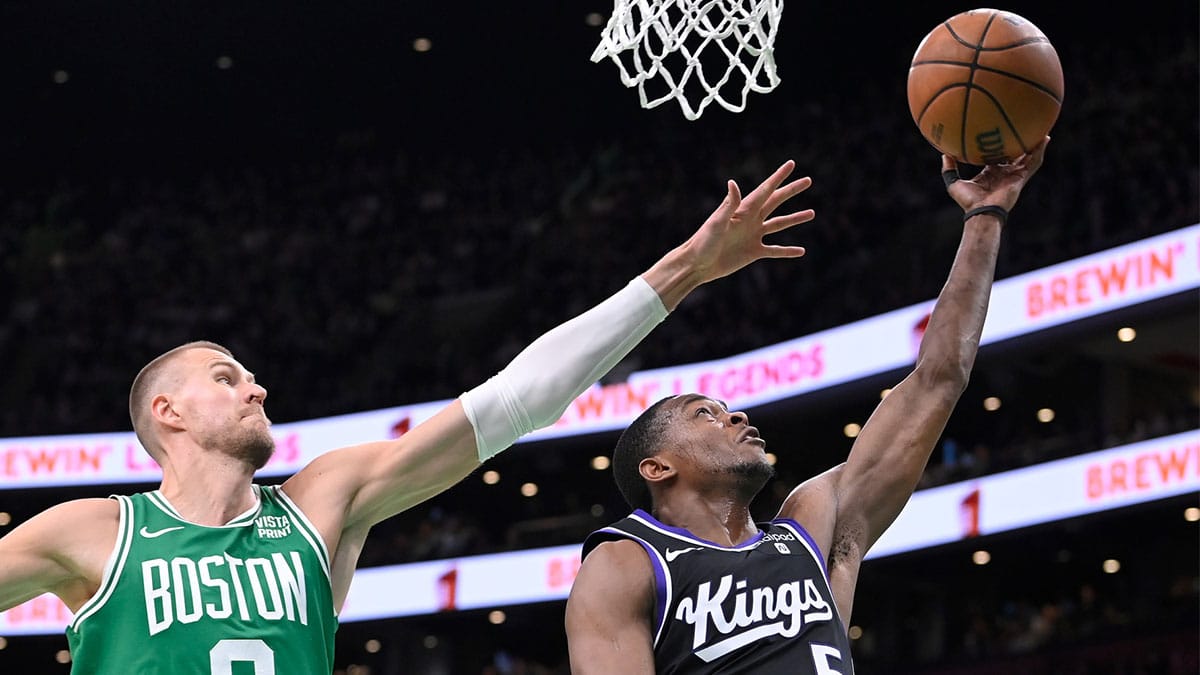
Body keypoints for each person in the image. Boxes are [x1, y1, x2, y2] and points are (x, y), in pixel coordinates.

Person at [0, 161, 816, 673]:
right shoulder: (94, 530)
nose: (257, 388)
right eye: (226, 376)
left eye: (251, 376)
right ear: (166, 412)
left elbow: (513, 400)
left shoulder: (321, 502)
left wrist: (681, 273)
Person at [565, 140, 1050, 674]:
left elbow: (938, 379)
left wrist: (986, 214)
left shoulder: (814, 525)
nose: (738, 416)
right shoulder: (626, 563)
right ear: (658, 467)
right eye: (705, 413)